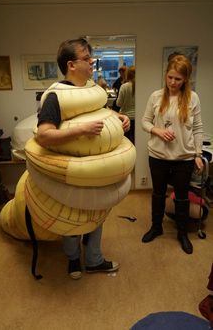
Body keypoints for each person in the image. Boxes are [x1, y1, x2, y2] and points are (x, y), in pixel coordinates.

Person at [36, 37, 130, 279]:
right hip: (69, 169)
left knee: (96, 211)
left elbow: (99, 110)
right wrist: (81, 130)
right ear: (71, 65)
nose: (92, 63)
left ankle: (94, 259)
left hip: (93, 169)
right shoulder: (56, 96)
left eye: (92, 58)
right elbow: (44, 136)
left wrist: (116, 119)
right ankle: (73, 260)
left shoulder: (92, 89)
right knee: (71, 215)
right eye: (87, 59)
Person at [141, 54, 203, 254]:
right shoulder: (156, 96)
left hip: (183, 158)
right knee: (158, 194)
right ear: (165, 75)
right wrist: (157, 130)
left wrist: (198, 154)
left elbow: (198, 128)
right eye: (170, 77)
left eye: (178, 79)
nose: (173, 83)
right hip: (158, 156)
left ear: (185, 79)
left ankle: (182, 233)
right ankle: (156, 227)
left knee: (182, 197)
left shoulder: (193, 98)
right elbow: (145, 122)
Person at [116, 65, 135, 143]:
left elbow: (119, 104)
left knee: (126, 142)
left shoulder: (124, 87)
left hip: (126, 119)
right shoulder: (141, 86)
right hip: (137, 118)